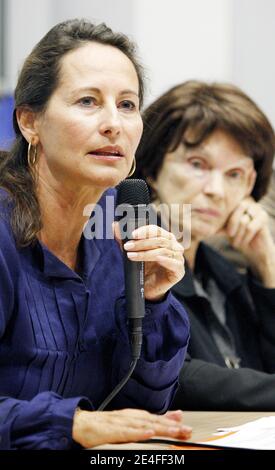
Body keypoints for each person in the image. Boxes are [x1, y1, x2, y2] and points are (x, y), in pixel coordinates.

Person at [0, 19, 191, 450]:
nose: (113, 124)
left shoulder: (119, 225)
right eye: (88, 101)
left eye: (127, 105)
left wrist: (154, 301)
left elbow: (142, 406)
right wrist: (71, 424)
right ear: (30, 121)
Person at [135, 80, 275, 410]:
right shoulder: (128, 250)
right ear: (154, 168)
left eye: (234, 174)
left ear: (250, 184)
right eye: (198, 165)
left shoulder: (223, 271)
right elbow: (174, 376)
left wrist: (266, 266)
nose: (216, 190)